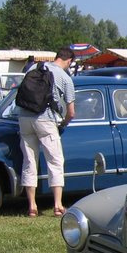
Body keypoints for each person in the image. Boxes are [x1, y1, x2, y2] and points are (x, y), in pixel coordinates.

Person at [18, 47, 76, 217]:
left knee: (29, 161)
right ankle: (58, 205)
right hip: (46, 119)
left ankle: (32, 206)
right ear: (69, 61)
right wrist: (63, 123)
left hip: (24, 117)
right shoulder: (65, 78)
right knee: (55, 161)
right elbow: (71, 112)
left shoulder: (34, 68)